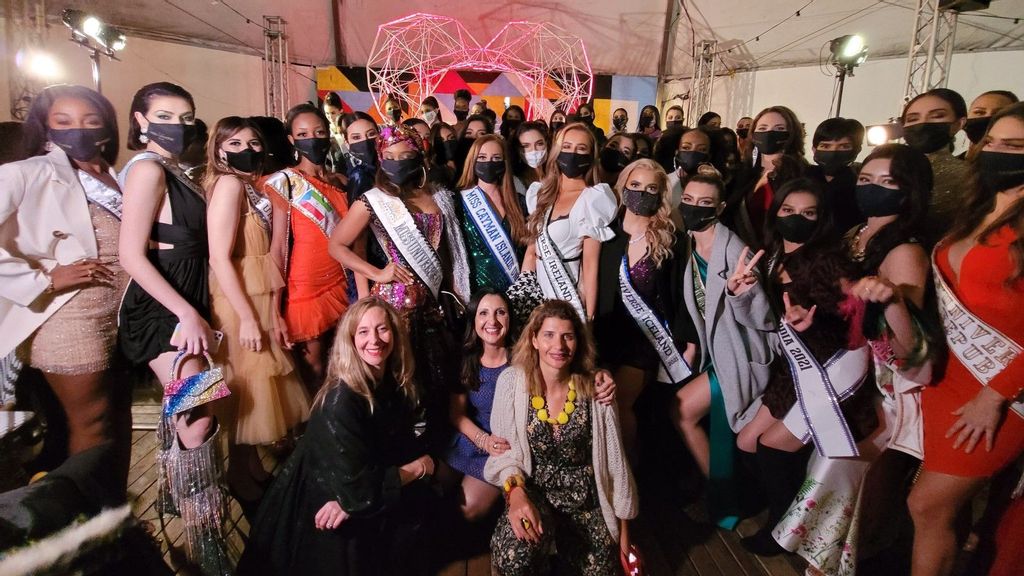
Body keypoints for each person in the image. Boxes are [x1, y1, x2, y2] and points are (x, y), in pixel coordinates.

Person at [117, 82, 231, 574]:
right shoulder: (146, 170)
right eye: (165, 115)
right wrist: (184, 313)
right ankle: (203, 542)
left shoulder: (173, 169)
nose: (178, 125)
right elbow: (130, 254)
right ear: (140, 120)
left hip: (186, 301)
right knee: (198, 412)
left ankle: (181, 508)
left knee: (194, 413)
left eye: (187, 117)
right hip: (162, 308)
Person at [237, 297, 436, 576]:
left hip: (355, 484)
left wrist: (356, 498)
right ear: (351, 340)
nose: (375, 340)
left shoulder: (390, 380)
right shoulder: (341, 400)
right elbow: (361, 492)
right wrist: (417, 468)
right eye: (363, 332)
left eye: (382, 329)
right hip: (321, 501)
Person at [908, 102, 1024, 576]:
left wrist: (994, 396)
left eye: (1014, 147)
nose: (997, 153)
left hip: (996, 388)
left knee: (926, 505)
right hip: (948, 373)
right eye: (992, 142)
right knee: (938, 510)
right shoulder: (976, 206)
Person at [735, 177, 878, 556]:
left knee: (771, 447)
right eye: (788, 211)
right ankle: (789, 503)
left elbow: (855, 314)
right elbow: (767, 318)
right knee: (746, 442)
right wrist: (742, 291)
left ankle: (784, 529)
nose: (797, 219)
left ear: (821, 219)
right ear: (776, 213)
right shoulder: (772, 256)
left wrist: (819, 322)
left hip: (829, 367)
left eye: (808, 213)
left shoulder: (827, 261)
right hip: (793, 368)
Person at [0, 85, 130, 484]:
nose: (80, 130)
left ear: (106, 128)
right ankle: (87, 525)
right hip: (70, 316)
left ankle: (113, 509)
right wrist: (44, 279)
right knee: (89, 425)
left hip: (122, 315)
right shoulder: (26, 172)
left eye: (91, 121)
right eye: (64, 122)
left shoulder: (114, 176)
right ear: (46, 128)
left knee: (117, 419)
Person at [825, 144, 936, 571]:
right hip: (851, 369)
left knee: (863, 483)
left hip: (889, 385)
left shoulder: (905, 252)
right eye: (867, 180)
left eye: (887, 183)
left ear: (910, 192)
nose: (872, 189)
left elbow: (912, 351)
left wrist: (891, 302)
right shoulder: (856, 234)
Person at [329, 123, 470, 453]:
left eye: (405, 155)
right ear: (380, 160)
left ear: (419, 156)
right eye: (389, 157)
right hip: (394, 306)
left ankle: (433, 451)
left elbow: (447, 253)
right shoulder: (372, 202)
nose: (397, 162)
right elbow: (337, 245)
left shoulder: (435, 195)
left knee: (432, 380)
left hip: (433, 304)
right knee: (397, 380)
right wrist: (377, 272)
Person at [203, 116, 310, 516]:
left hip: (258, 295)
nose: (247, 150)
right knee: (244, 383)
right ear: (218, 149)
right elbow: (218, 256)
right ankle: (236, 474)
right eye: (235, 143)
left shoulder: (251, 188)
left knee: (251, 387)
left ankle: (245, 467)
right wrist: (247, 317)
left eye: (253, 142)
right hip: (238, 300)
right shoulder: (229, 185)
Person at [485, 300, 639, 576]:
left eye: (568, 336)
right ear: (533, 339)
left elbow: (616, 465)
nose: (559, 346)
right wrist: (515, 493)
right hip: (534, 496)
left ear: (578, 342)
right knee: (514, 559)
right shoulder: (511, 383)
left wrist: (625, 536)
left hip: (586, 503)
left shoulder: (597, 389)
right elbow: (504, 454)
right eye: (549, 335)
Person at [672, 169, 776, 530]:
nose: (694, 208)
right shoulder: (688, 240)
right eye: (688, 201)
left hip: (740, 358)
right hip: (713, 356)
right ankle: (725, 499)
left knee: (683, 411)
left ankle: (726, 500)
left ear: (720, 206)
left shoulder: (736, 251)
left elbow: (765, 322)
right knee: (700, 419)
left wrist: (742, 294)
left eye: (704, 204)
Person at [593, 159, 698, 462]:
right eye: (635, 186)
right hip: (606, 333)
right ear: (623, 187)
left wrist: (688, 343)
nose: (642, 193)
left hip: (648, 342)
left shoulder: (671, 240)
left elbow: (681, 295)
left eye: (651, 188)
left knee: (618, 403)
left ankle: (627, 472)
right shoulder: (605, 235)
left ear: (661, 194)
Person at [263, 104, 350, 393]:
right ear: (291, 139)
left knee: (344, 364)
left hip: (340, 279)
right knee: (313, 372)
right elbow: (277, 247)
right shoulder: (286, 182)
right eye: (302, 133)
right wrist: (274, 309)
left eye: (319, 132)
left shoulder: (342, 182)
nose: (312, 138)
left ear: (329, 135)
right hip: (304, 287)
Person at [524, 122, 617, 321]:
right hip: (537, 294)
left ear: (591, 156)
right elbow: (531, 252)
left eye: (581, 149)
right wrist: (522, 294)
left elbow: (590, 265)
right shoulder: (541, 193)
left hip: (567, 292)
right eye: (566, 147)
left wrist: (589, 317)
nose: (572, 154)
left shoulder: (592, 199)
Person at [457, 134, 529, 293]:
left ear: (504, 164)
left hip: (514, 292)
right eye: (482, 157)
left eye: (496, 158)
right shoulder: (458, 201)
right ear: (472, 161)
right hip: (475, 294)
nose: (488, 163)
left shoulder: (519, 202)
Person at [900, 88, 969, 247]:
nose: (923, 123)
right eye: (913, 118)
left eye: (937, 116)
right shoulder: (881, 168)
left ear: (959, 123)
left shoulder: (970, 176)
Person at [732, 105, 808, 245]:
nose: (769, 133)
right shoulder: (743, 173)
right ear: (753, 135)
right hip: (742, 254)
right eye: (762, 128)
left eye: (779, 129)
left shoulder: (803, 175)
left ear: (791, 134)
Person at [806, 117, 866, 233]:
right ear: (814, 149)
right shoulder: (799, 179)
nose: (834, 152)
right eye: (826, 146)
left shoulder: (862, 186)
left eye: (844, 146)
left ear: (857, 150)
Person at [511, 121, 549, 192]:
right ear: (518, 149)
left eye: (539, 144)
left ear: (546, 143)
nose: (534, 150)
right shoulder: (516, 182)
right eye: (526, 146)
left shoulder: (556, 175)